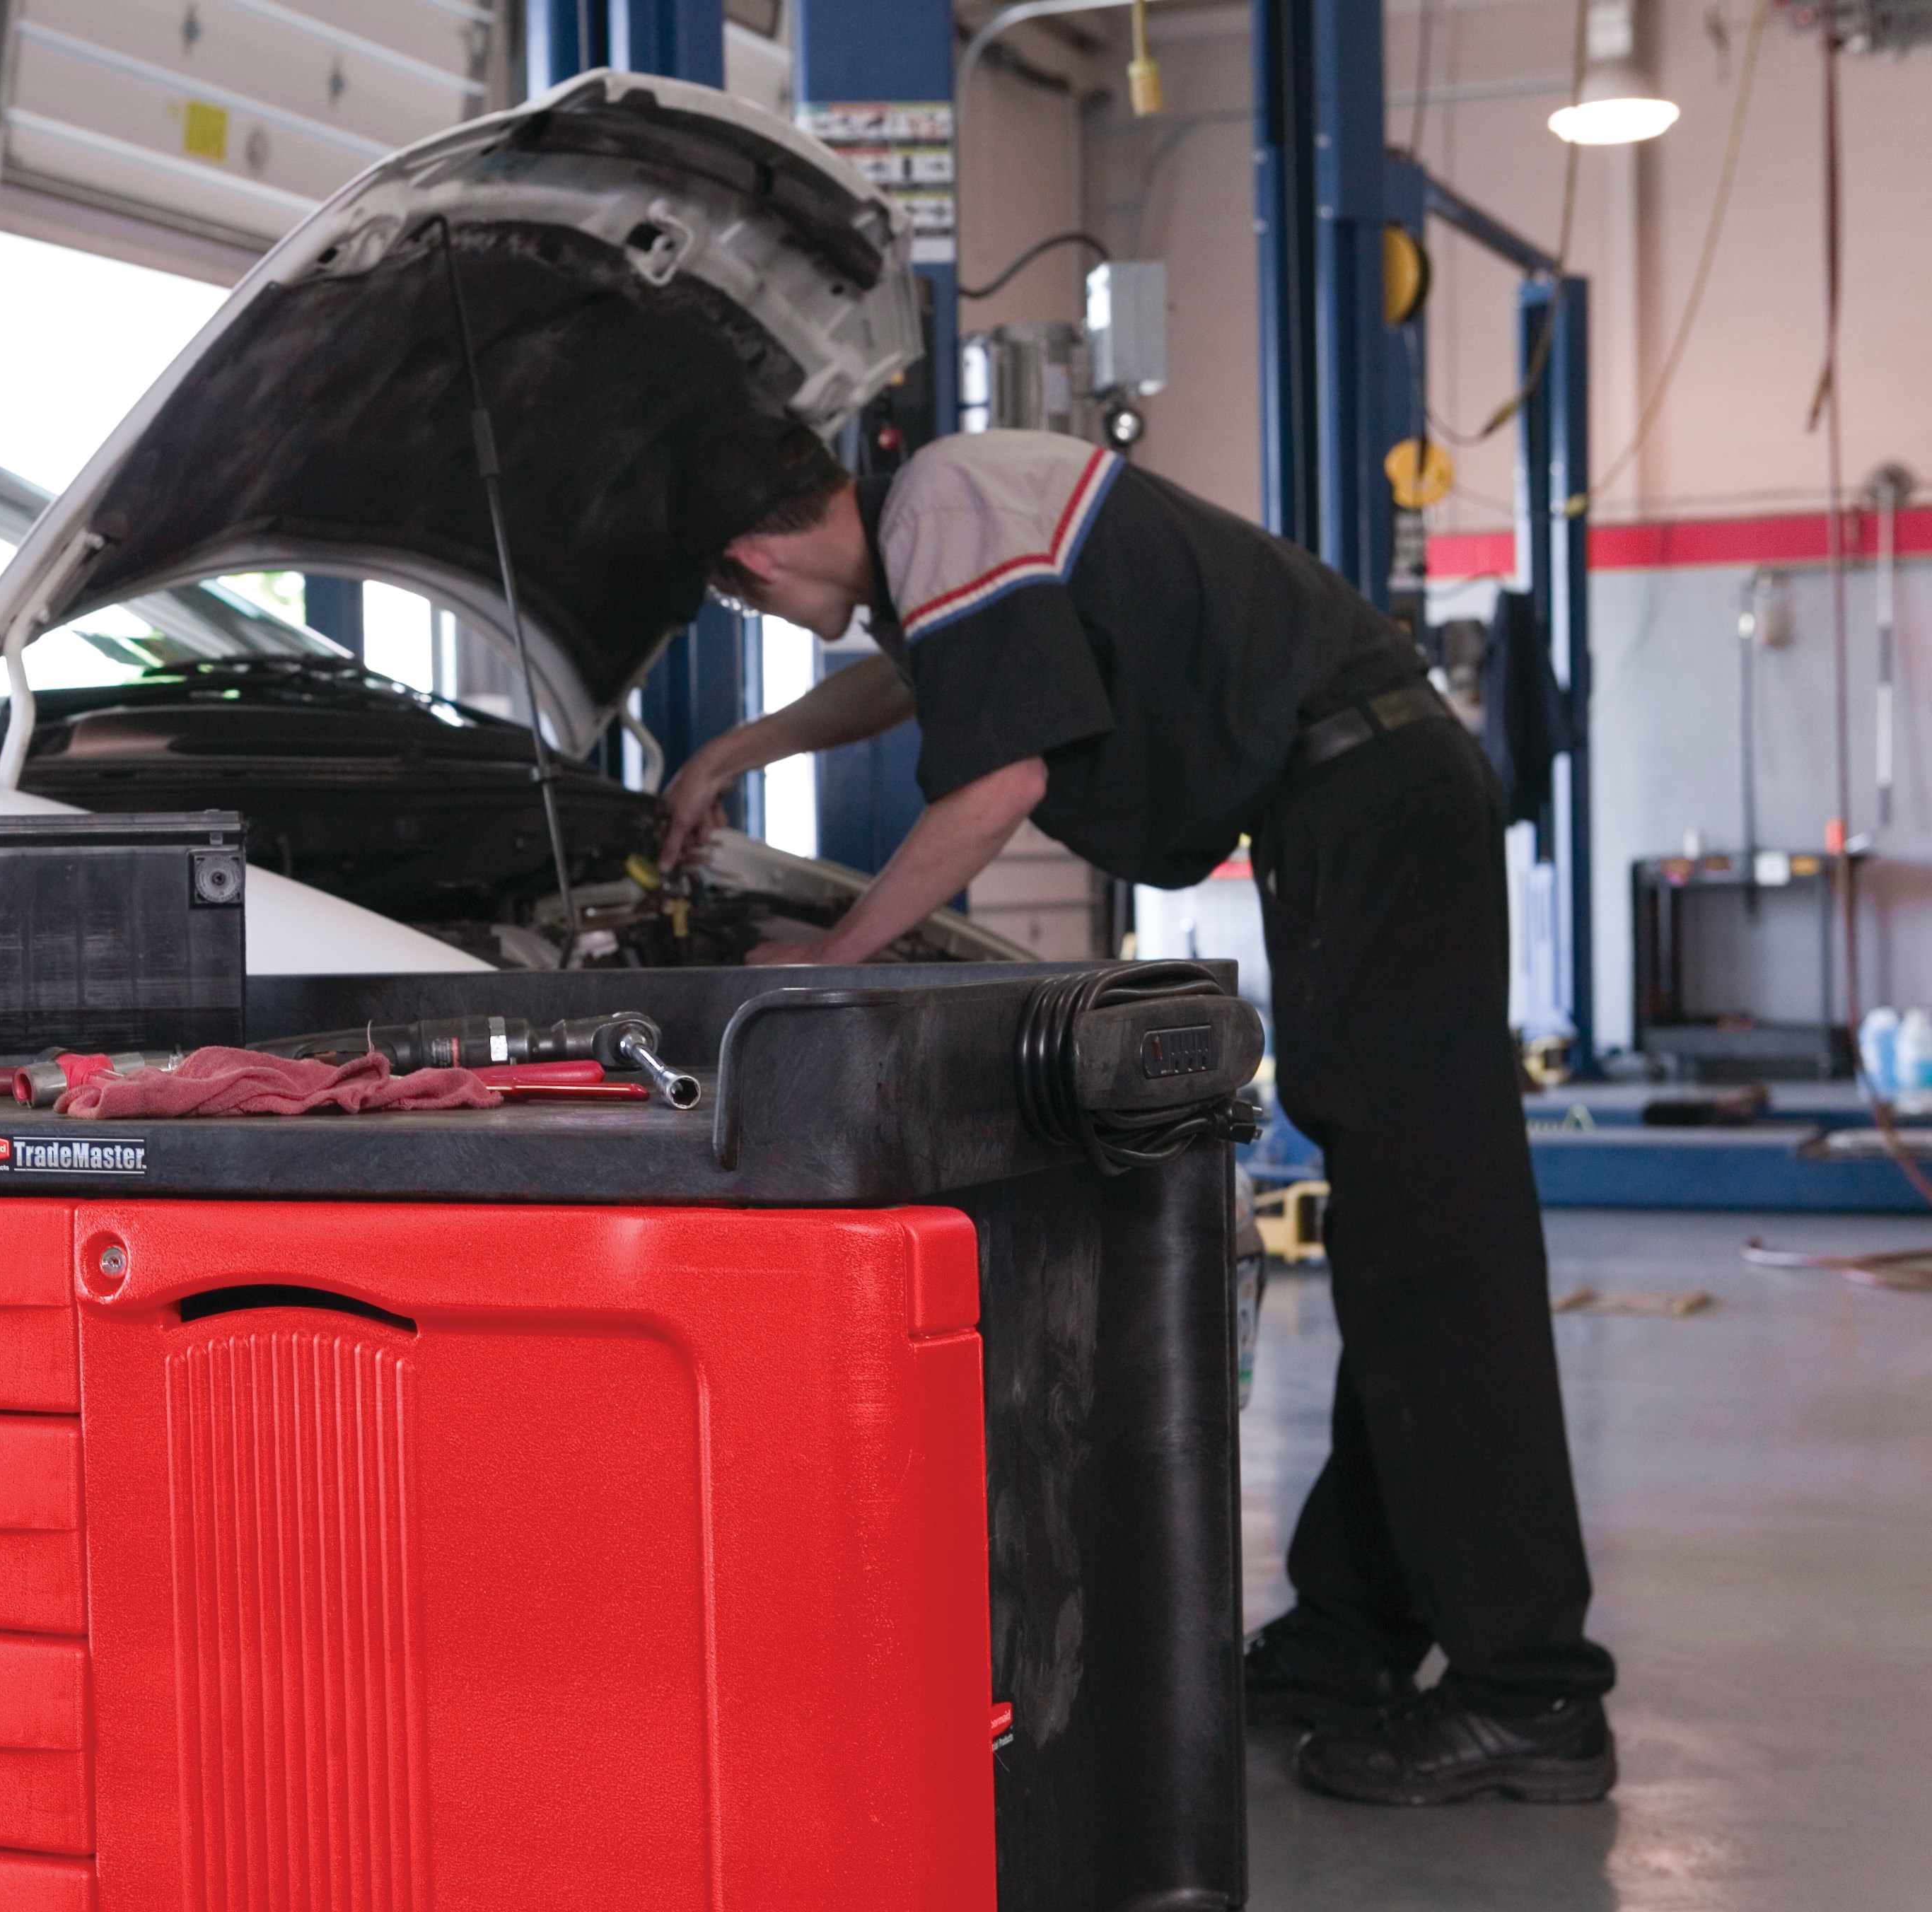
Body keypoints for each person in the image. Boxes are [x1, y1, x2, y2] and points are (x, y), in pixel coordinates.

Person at [663, 417, 1617, 1806]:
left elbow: (1001, 772)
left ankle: (1528, 1687)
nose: (774, 618)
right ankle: (1354, 1634)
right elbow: (925, 678)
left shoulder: (938, 502)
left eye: (745, 598)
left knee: (1438, 1251)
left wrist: (835, 953)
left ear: (749, 558)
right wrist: (737, 749)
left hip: (1367, 807)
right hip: (1356, 803)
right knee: (1401, 1248)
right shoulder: (946, 509)